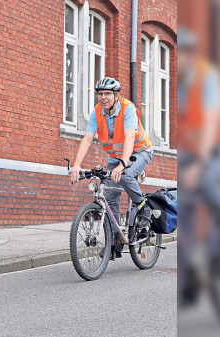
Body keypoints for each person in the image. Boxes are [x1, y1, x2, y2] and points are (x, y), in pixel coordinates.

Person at [177, 27, 220, 307]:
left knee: (204, 181)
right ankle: (192, 270)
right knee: (181, 205)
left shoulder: (207, 78)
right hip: (194, 147)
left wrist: (199, 165)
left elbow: (207, 125)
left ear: (190, 56)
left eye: (179, 55)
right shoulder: (176, 85)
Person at [70, 77, 154, 257]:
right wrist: (76, 165)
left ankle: (143, 207)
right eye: (100, 94)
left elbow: (130, 137)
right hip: (116, 156)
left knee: (124, 176)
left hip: (140, 152)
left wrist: (122, 165)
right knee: (111, 195)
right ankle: (115, 242)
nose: (103, 97)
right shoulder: (97, 112)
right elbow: (87, 138)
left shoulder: (128, 108)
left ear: (116, 95)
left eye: (108, 93)